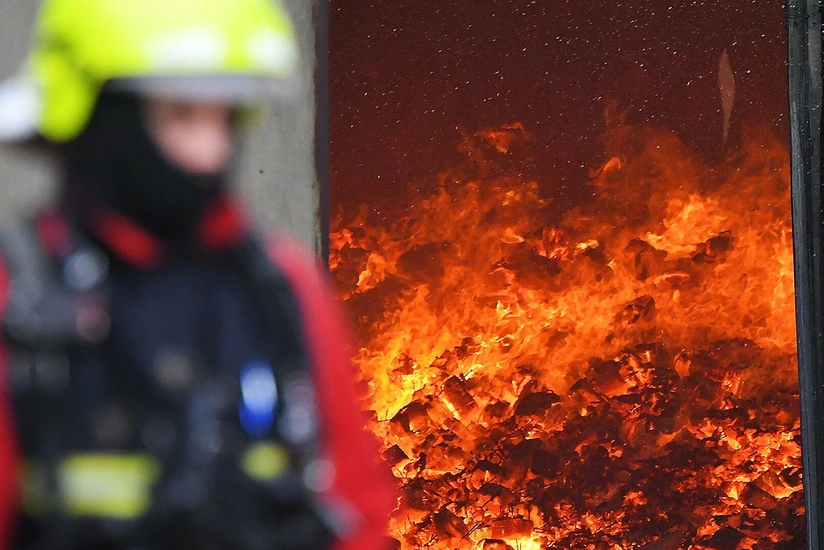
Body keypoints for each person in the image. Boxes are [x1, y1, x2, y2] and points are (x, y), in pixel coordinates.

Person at [0, 0, 397, 549]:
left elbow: (356, 511)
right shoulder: (16, 295)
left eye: (224, 118)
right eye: (180, 116)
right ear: (101, 115)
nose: (210, 152)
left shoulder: (279, 290)